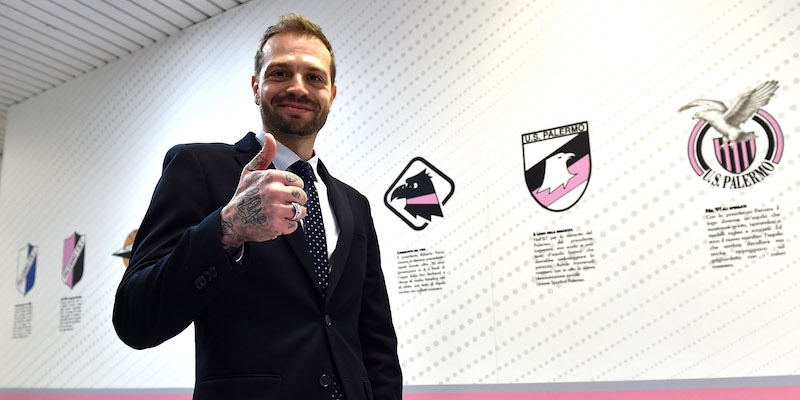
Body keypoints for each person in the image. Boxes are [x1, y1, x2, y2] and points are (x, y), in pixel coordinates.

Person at [113, 14, 402, 400]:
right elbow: (135, 319)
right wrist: (227, 228)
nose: (298, 87)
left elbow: (376, 337)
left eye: (314, 77)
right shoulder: (198, 168)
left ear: (332, 94)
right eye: (280, 73)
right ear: (255, 86)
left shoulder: (354, 205)